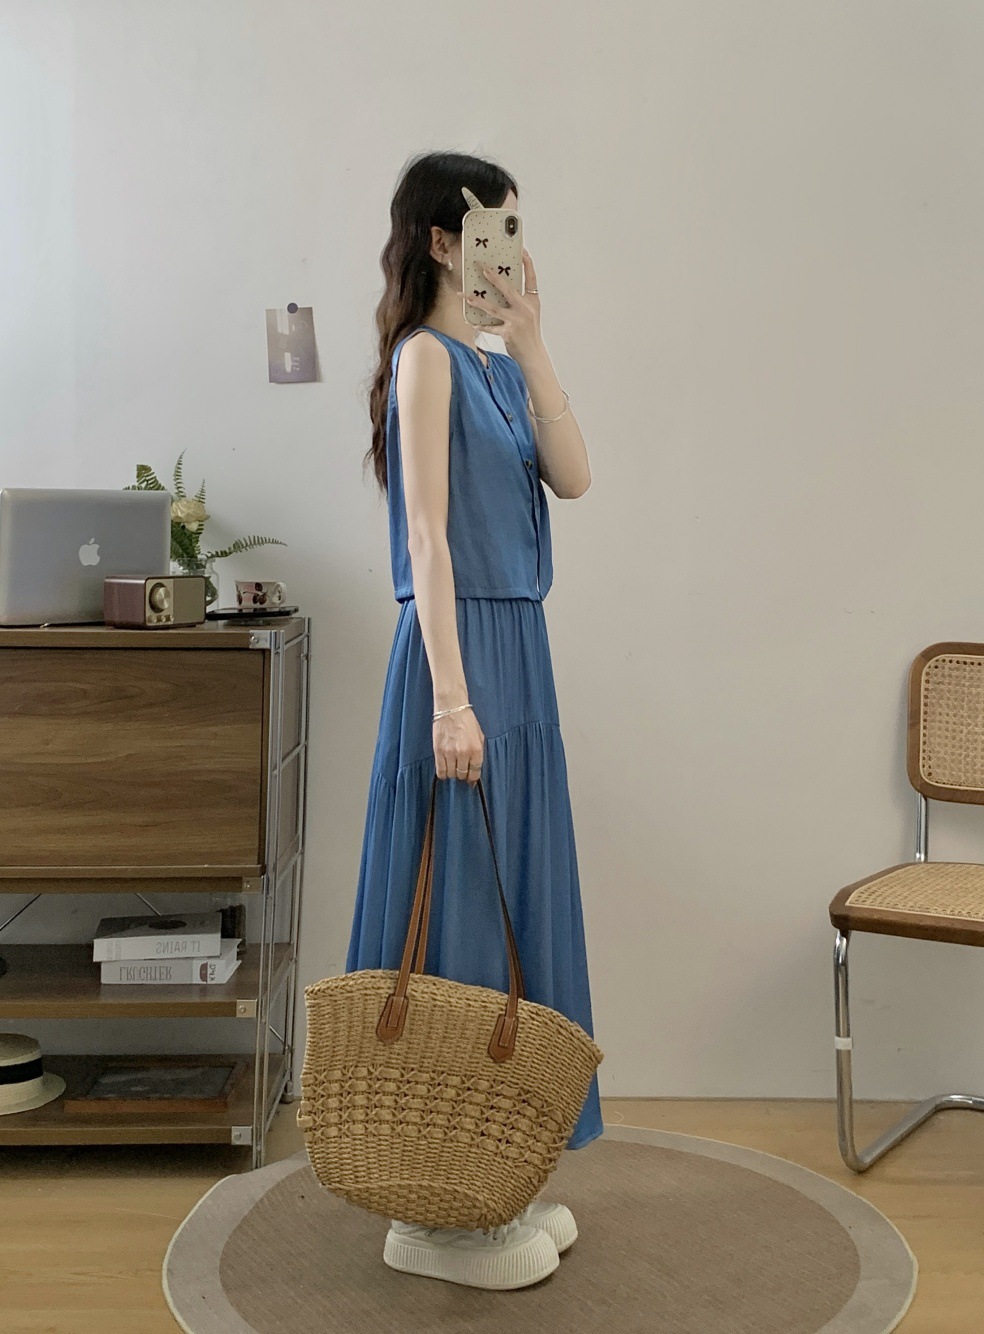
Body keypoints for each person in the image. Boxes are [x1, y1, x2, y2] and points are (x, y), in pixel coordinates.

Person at [347, 149, 603, 1290]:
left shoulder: (495, 368)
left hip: (520, 658)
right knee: (452, 906)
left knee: (512, 907)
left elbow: (575, 477)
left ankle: (494, 1171)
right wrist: (451, 700)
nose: (509, 247)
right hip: (458, 657)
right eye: (491, 228)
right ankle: (434, 1210)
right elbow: (427, 537)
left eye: (517, 228)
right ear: (442, 241)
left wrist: (534, 342)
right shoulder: (423, 360)